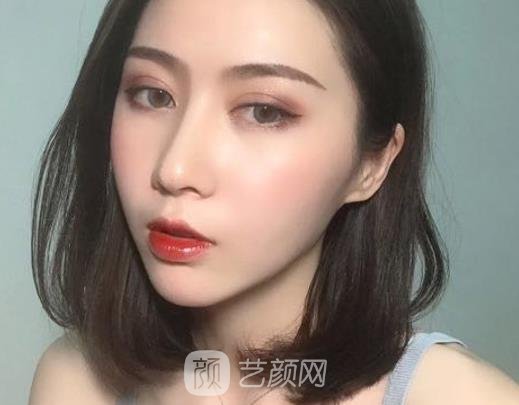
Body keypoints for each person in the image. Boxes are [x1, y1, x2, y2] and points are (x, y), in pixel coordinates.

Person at [28, 0, 519, 404]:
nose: (175, 170)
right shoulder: (76, 382)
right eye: (154, 95)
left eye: (264, 111)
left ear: (372, 163)